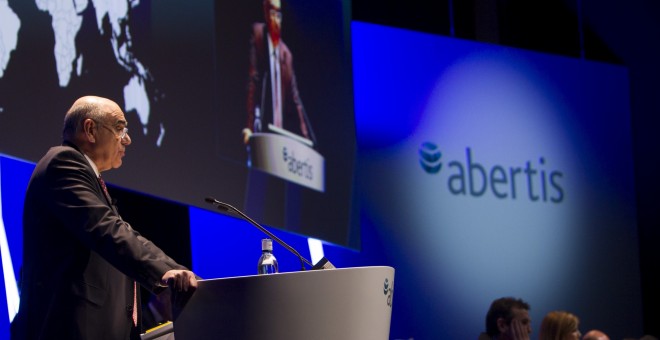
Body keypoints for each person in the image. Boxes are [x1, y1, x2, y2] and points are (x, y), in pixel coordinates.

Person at [10, 96, 198, 340]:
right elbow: (107, 229)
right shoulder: (62, 163)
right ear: (90, 129)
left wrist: (180, 273)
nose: (127, 139)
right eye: (120, 128)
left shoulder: (87, 178)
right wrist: (165, 273)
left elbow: (124, 232)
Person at [243, 0, 315, 146]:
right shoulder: (258, 35)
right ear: (265, 12)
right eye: (272, 13)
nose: (276, 20)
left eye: (279, 15)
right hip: (261, 132)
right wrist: (249, 127)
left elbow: (296, 102)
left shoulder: (286, 55)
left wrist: (308, 140)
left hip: (279, 137)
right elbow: (253, 80)